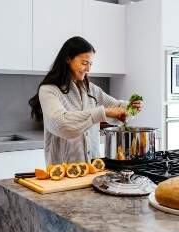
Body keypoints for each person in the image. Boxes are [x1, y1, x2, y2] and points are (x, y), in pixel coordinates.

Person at [29, 36, 142, 165]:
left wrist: (132, 107)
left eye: (90, 64)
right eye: (84, 63)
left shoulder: (91, 89)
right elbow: (62, 125)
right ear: (68, 59)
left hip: (93, 168)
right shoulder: (49, 90)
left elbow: (117, 108)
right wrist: (104, 112)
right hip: (62, 172)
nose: (88, 69)